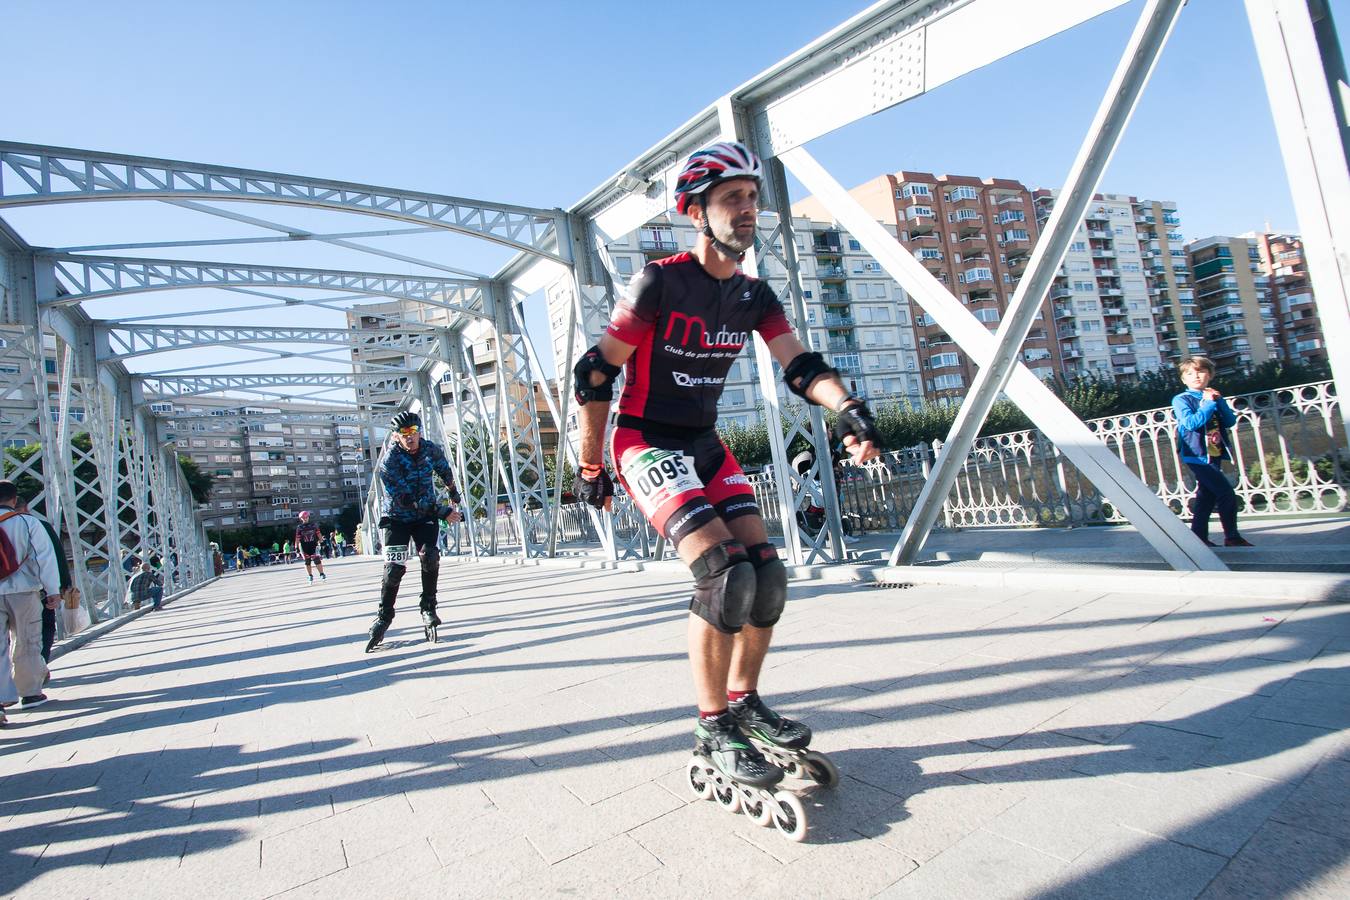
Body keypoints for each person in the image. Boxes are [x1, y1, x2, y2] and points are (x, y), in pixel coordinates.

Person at [571, 141, 882, 793]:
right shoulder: (660, 282)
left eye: (753, 197)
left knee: (766, 575)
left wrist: (848, 408)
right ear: (695, 211)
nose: (747, 209)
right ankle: (712, 727)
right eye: (732, 198)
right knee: (723, 573)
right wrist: (591, 468)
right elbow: (595, 372)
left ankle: (744, 702)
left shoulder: (753, 295)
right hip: (645, 439)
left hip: (704, 442)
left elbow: (800, 366)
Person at [367, 410, 462, 651]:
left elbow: (444, 469)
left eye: (413, 431)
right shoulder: (389, 462)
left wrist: (453, 491)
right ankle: (384, 617)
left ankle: (428, 608)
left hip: (424, 518)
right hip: (398, 517)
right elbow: (406, 499)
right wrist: (441, 511)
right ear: (396, 436)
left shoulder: (429, 449)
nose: (410, 437)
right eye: (404, 433)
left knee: (430, 556)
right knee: (394, 569)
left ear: (419, 432)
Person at [1173, 356, 1252, 547]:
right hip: (1196, 455)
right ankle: (1232, 537)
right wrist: (1208, 404)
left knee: (1206, 496)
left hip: (1214, 452)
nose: (1196, 376)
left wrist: (1219, 401)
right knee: (1225, 492)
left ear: (1209, 375)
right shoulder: (1182, 399)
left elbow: (1230, 421)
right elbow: (1191, 423)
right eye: (1190, 373)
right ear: (1183, 379)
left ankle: (1198, 538)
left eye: (1201, 372)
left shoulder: (1212, 397)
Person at [0, 480, 58, 722]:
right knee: (27, 641)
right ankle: (30, 693)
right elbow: (45, 557)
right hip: (24, 591)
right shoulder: (27, 522)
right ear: (14, 500)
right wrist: (52, 590)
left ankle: (1, 700)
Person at [14, 496, 71, 665]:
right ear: (26, 508)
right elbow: (54, 557)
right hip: (37, 589)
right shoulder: (38, 525)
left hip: (7, 590)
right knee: (45, 626)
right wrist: (63, 585)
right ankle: (40, 664)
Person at [294, 511, 327, 584]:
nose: (305, 519)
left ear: (308, 517)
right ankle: (310, 576)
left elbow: (318, 533)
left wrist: (322, 541)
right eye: (303, 518)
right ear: (301, 519)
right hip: (304, 546)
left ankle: (322, 574)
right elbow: (297, 537)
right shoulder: (299, 527)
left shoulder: (314, 525)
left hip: (314, 545)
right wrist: (296, 547)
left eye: (306, 517)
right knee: (307, 561)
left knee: (317, 560)